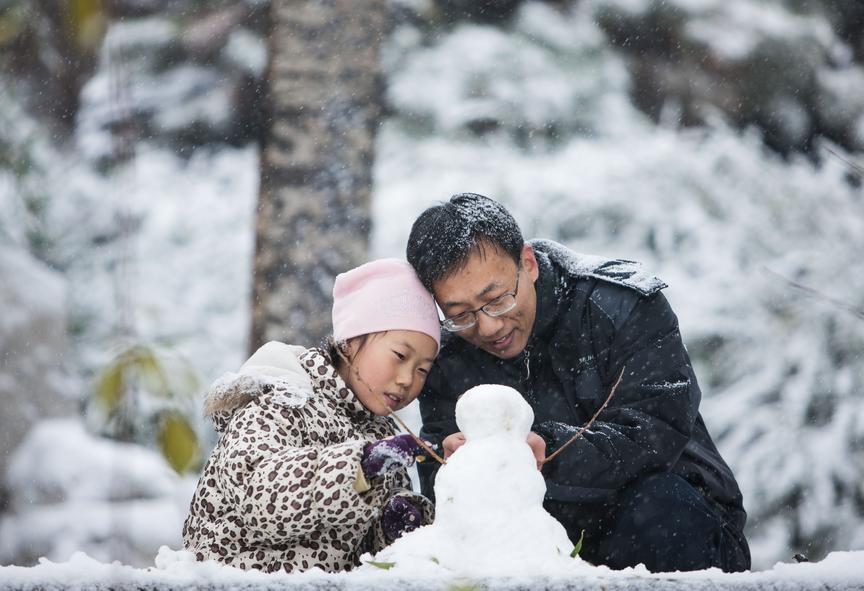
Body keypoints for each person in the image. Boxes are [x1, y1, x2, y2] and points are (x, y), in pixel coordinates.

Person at [406, 193, 751, 573]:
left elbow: (657, 432)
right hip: (533, 543)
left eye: (497, 299)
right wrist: (451, 461)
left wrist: (545, 451)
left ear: (528, 263)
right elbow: (437, 469)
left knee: (658, 506)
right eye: (461, 314)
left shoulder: (621, 306)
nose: (488, 326)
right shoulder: (447, 352)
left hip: (673, 522)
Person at [182, 259, 440, 573]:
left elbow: (359, 551)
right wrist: (358, 467)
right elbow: (260, 497)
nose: (407, 379)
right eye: (400, 356)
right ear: (350, 340)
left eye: (422, 370)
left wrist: (393, 523)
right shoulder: (282, 399)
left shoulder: (381, 436)